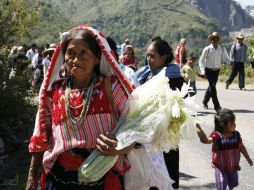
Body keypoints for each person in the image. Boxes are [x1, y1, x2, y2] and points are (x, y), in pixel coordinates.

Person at [26, 25, 136, 190]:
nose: (76, 59)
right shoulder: (54, 92)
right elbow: (41, 135)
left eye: (84, 52)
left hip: (102, 178)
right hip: (59, 180)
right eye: (70, 53)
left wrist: (120, 146)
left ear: (98, 58)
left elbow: (137, 126)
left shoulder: (111, 88)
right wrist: (32, 178)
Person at [136, 39, 185, 189]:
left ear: (163, 58)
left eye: (152, 56)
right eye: (147, 56)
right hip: (148, 138)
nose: (148, 59)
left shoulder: (173, 78)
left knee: (166, 177)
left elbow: (180, 108)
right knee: (151, 178)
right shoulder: (145, 75)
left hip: (166, 138)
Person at [196, 108, 253, 190]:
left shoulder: (236, 135)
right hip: (220, 167)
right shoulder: (217, 135)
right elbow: (205, 140)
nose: (235, 124)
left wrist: (248, 158)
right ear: (223, 124)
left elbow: (241, 147)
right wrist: (197, 127)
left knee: (233, 184)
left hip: (233, 167)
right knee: (222, 184)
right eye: (232, 123)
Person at [199, 32, 230, 112]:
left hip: (217, 70)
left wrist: (231, 63)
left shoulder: (222, 49)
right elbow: (201, 60)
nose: (214, 40)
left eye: (216, 38)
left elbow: (226, 58)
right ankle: (217, 106)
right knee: (213, 87)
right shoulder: (207, 49)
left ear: (218, 40)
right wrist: (203, 71)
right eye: (213, 39)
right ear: (211, 40)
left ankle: (205, 101)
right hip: (208, 70)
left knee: (211, 87)